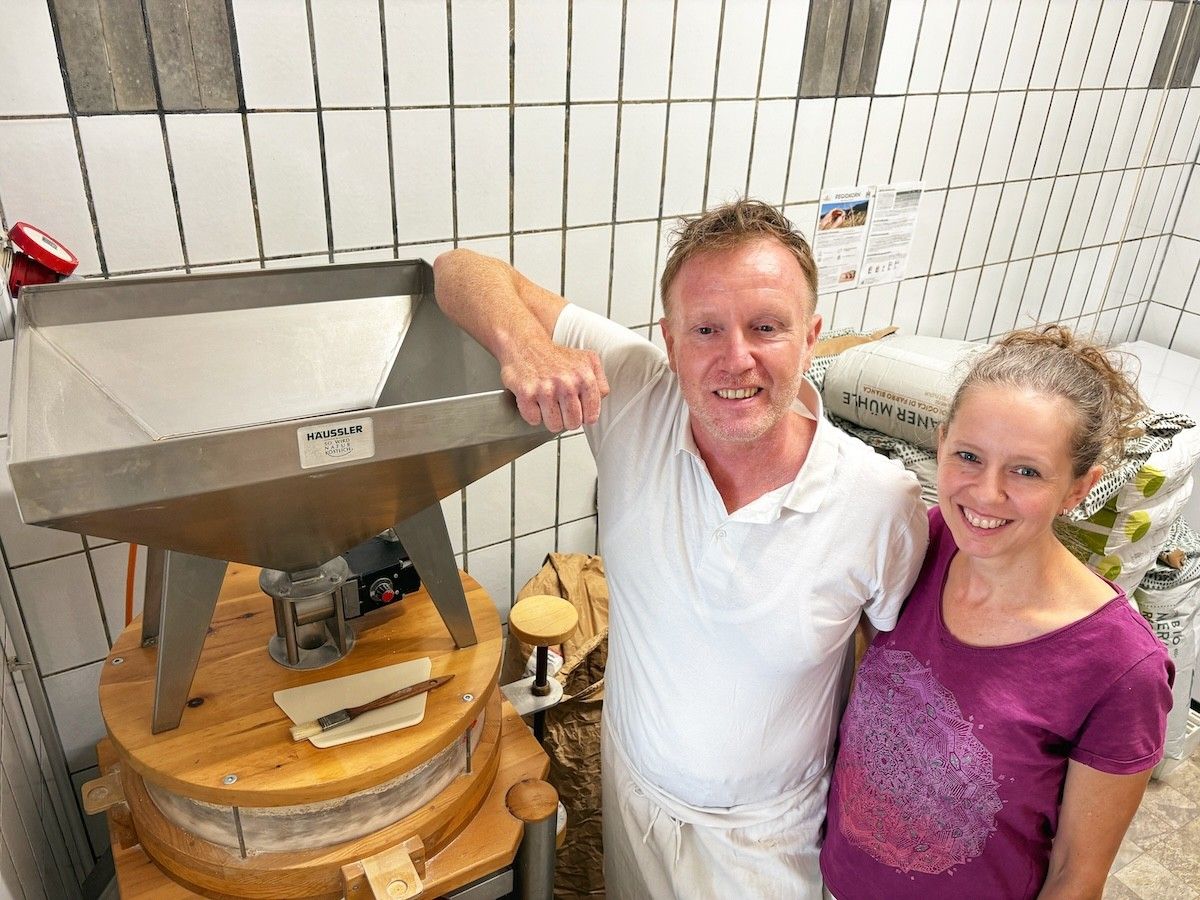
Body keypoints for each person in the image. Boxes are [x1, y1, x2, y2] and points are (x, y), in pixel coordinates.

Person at [434, 199, 928, 899]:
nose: (736, 358)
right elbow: (458, 270)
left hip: (769, 845)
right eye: (706, 329)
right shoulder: (637, 395)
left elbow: (895, 684)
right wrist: (527, 348)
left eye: (767, 327)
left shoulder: (878, 501)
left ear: (811, 337)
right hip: (633, 801)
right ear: (669, 341)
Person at [819, 326, 1175, 899]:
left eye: (1026, 471)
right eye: (968, 456)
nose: (986, 494)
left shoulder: (1120, 665)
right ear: (941, 443)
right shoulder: (921, 544)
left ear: (1078, 488)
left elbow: (1076, 876)